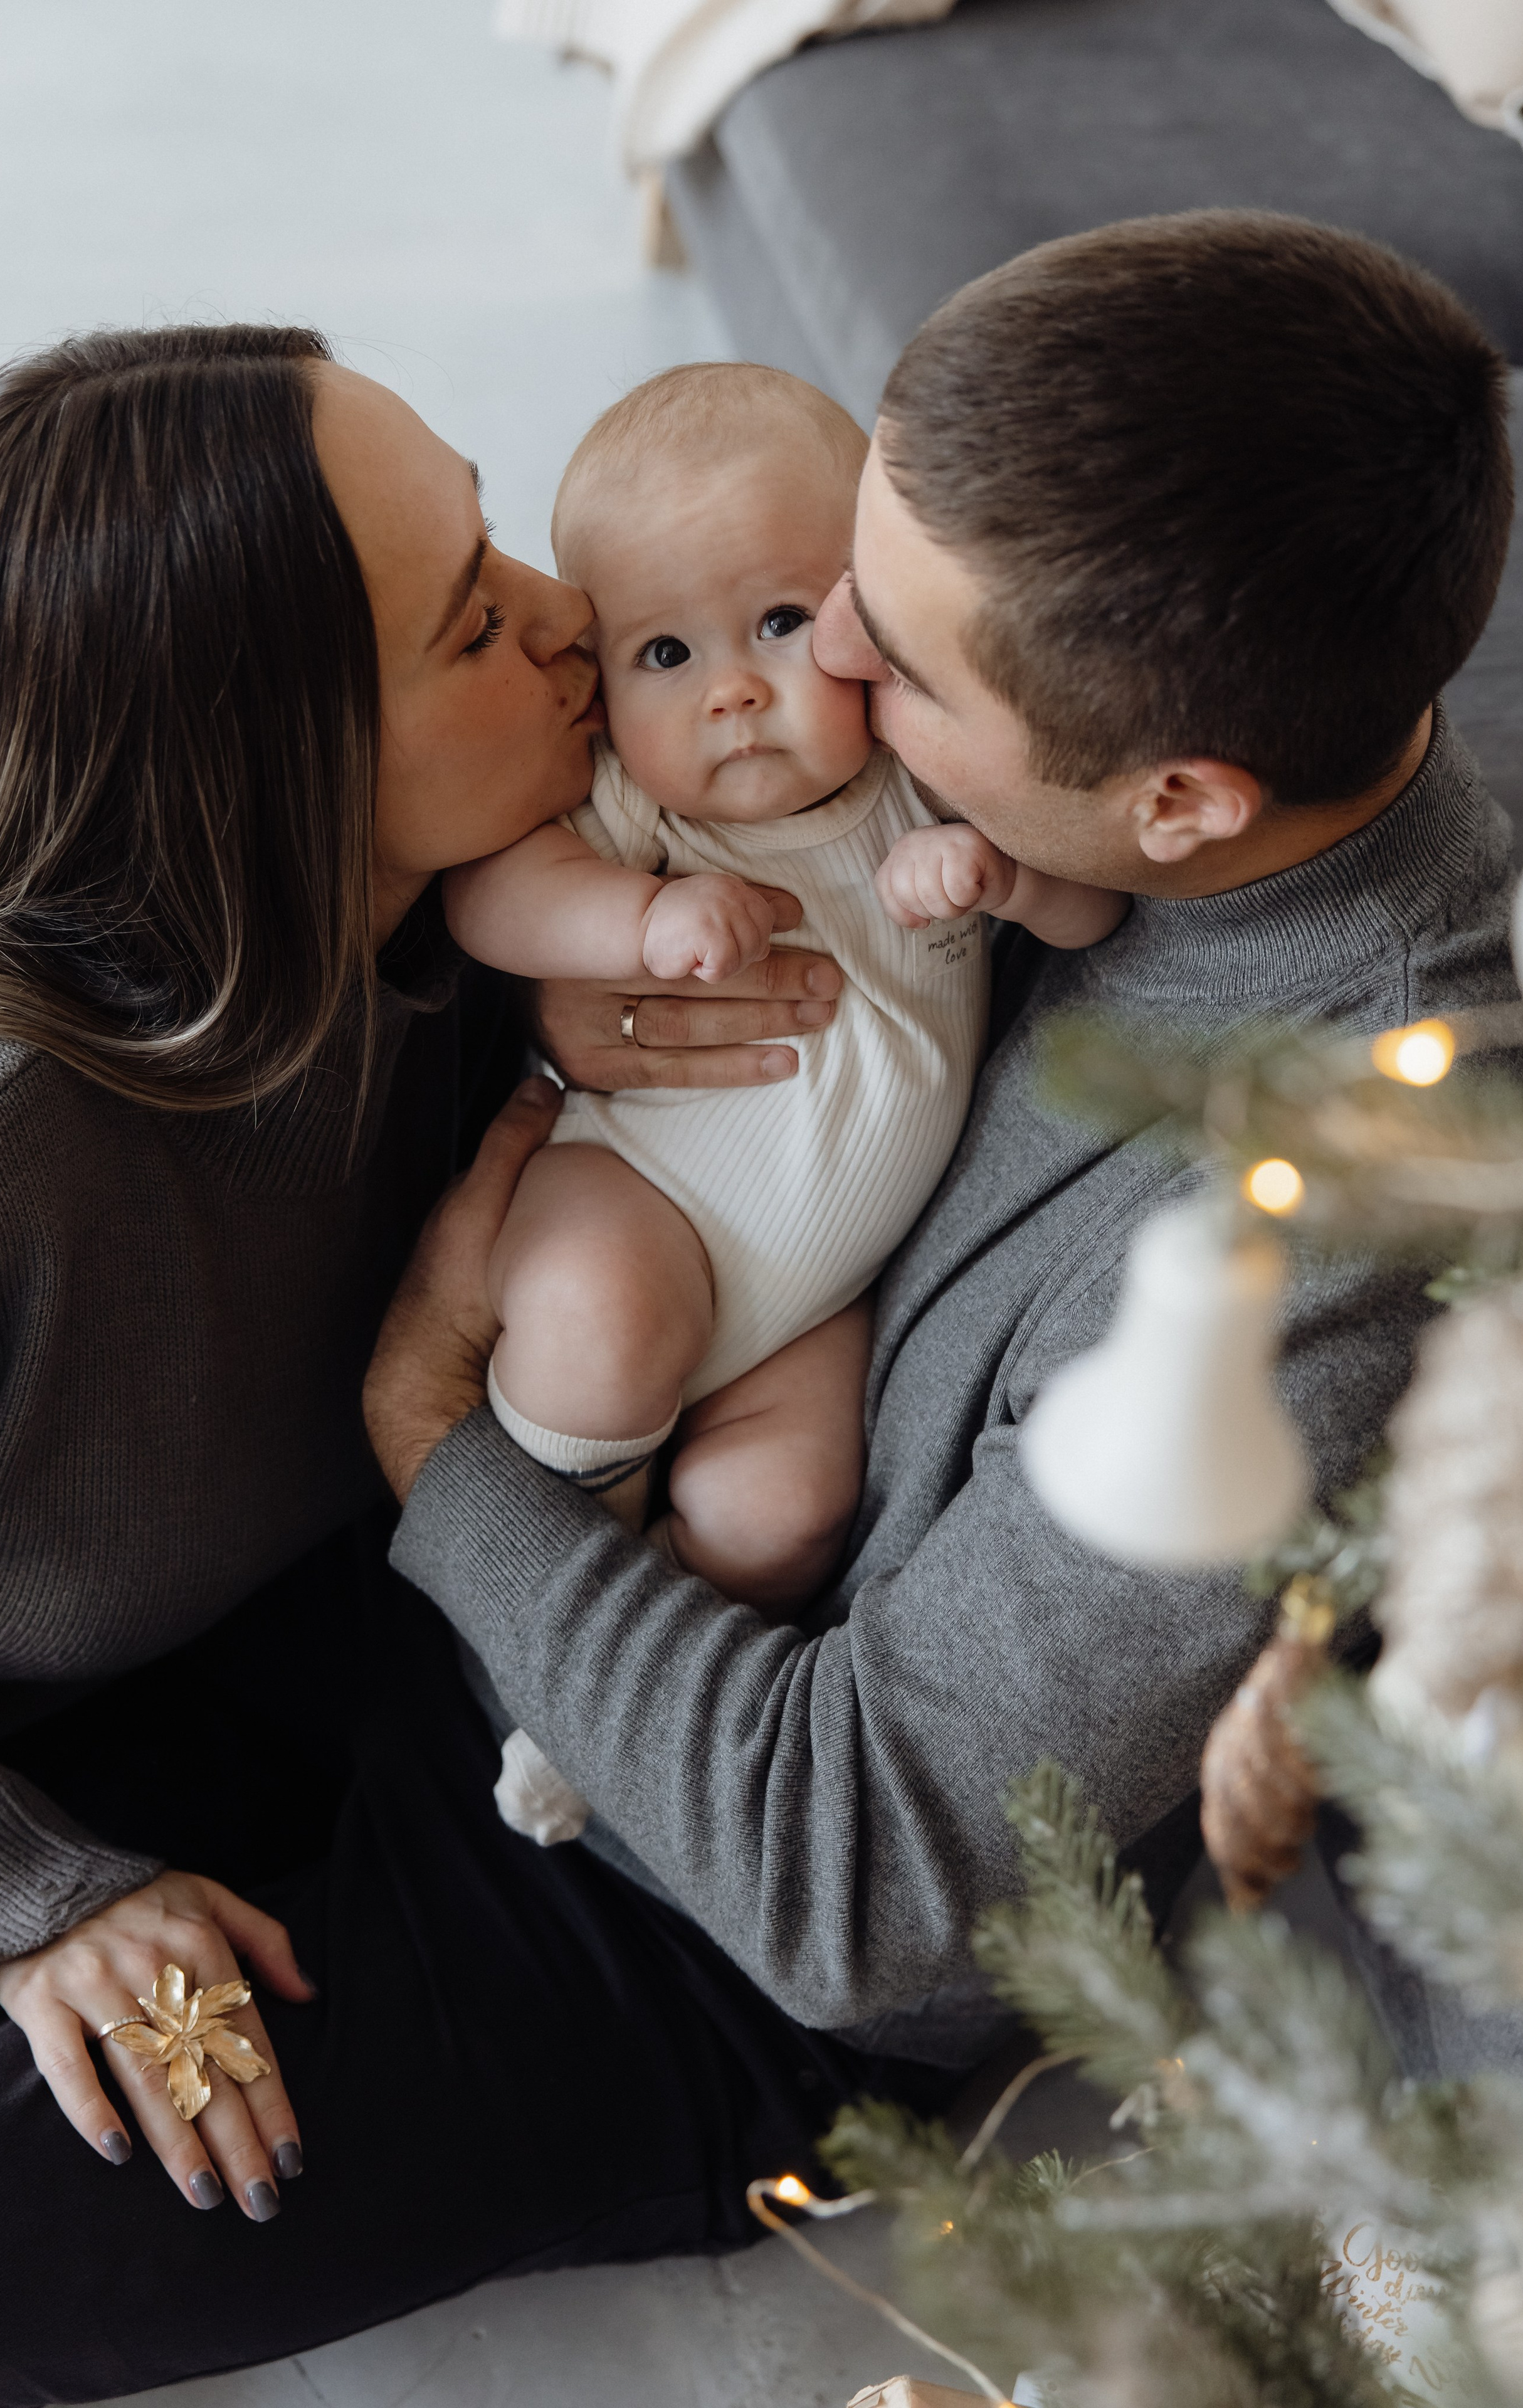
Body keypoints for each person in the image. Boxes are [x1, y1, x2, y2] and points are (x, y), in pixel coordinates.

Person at [0, 205, 1516, 2404]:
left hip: (675, 1925)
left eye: (897, 664)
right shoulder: (1055, 793)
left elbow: (860, 1878)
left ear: (1174, 798)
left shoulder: (1329, 1195)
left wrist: (439, 1445)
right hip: (436, 1613)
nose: (794, 685)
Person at [445, 362, 1118, 1846]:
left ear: (865, 615)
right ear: (603, 686)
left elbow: (1084, 917)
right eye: (664, 652)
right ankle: (542, 1618)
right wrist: (627, 926)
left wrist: (1008, 878)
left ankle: (631, 1668)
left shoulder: (921, 784)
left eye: (775, 626)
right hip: (640, 1189)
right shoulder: (644, 810)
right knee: (598, 1325)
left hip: (817, 1294)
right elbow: (494, 893)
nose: (731, 692)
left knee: (787, 1514)